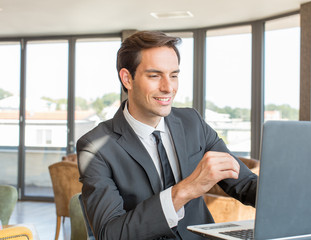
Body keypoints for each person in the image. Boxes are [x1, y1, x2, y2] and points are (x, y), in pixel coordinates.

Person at [76, 30, 257, 240]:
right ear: (127, 78)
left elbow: (245, 184)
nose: (168, 87)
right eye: (155, 75)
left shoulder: (192, 122)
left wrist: (295, 195)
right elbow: (110, 234)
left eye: (174, 75)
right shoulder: (95, 147)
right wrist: (184, 191)